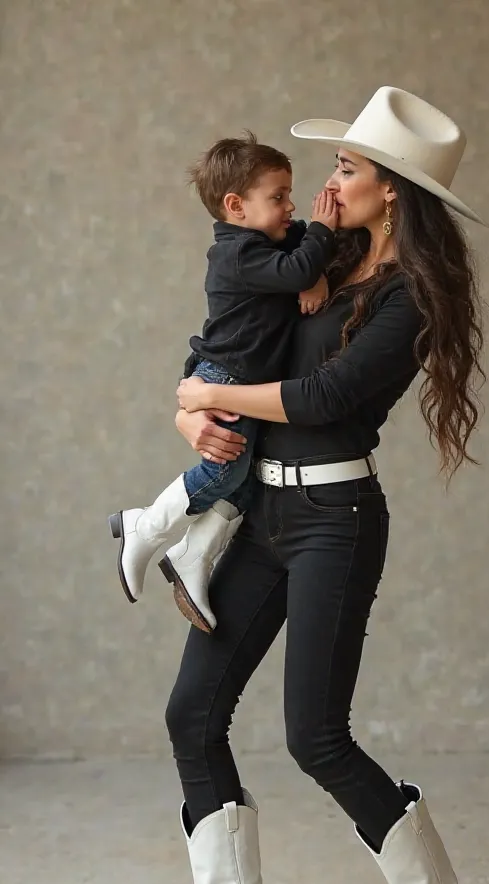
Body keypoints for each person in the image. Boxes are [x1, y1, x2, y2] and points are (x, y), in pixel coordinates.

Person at [138, 86, 487, 884]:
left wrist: (204, 397)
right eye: (335, 166)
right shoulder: (308, 259)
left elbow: (325, 398)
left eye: (348, 168)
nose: (329, 183)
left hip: (338, 520)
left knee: (315, 737)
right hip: (262, 516)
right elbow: (226, 346)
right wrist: (188, 411)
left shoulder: (408, 297)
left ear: (393, 193)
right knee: (190, 717)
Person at [109, 133, 336, 631]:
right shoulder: (236, 255)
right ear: (236, 206)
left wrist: (312, 273)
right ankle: (144, 527)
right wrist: (318, 239)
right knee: (224, 474)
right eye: (277, 197)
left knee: (246, 476)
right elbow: (300, 258)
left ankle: (194, 557)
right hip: (226, 376)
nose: (292, 207)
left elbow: (299, 257)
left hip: (241, 378)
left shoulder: (263, 243)